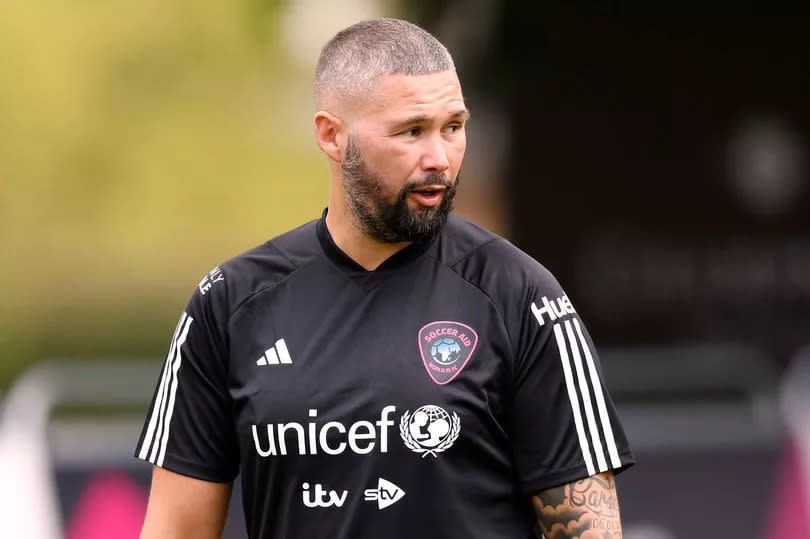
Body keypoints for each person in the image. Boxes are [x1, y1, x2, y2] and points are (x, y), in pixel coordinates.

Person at [135, 17, 634, 539]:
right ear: (332, 135)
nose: (439, 158)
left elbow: (589, 531)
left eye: (454, 127)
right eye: (412, 131)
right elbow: (176, 528)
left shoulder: (522, 296)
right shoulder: (231, 304)